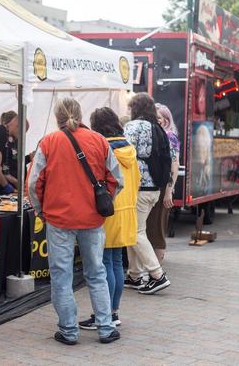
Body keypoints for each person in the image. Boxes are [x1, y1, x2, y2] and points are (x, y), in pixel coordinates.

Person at [28, 98, 124, 345]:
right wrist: (104, 202)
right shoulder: (99, 140)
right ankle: (105, 327)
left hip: (59, 219)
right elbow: (116, 178)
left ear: (57, 117)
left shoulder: (48, 142)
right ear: (81, 115)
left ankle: (69, 331)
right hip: (92, 219)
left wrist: (41, 210)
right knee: (96, 272)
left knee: (62, 276)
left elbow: (33, 183)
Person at [79, 107, 140, 331]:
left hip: (108, 211)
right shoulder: (129, 148)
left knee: (104, 265)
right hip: (127, 212)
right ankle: (113, 312)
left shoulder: (104, 149)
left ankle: (103, 314)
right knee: (115, 264)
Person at [123, 93, 172, 295]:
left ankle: (157, 275)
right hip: (154, 190)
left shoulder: (132, 127)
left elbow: (124, 154)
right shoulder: (158, 128)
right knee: (137, 230)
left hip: (138, 188)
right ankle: (135, 276)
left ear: (136, 108)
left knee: (135, 233)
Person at [146, 103, 180, 263]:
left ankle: (157, 269)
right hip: (158, 187)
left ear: (166, 120)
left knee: (158, 228)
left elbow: (174, 165)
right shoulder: (160, 134)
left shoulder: (169, 137)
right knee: (152, 227)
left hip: (163, 188)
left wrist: (168, 191)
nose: (156, 121)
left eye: (159, 118)